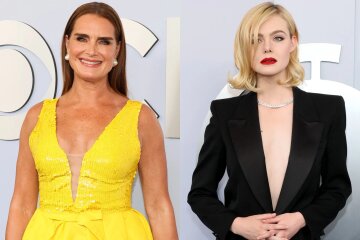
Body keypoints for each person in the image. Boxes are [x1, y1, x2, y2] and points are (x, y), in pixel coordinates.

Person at [6, 2, 178, 240]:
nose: (92, 50)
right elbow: (22, 204)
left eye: (104, 41)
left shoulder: (141, 118)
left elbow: (159, 207)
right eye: (82, 38)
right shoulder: (37, 116)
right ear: (67, 43)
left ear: (117, 49)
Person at [188, 2, 351, 240]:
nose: (266, 48)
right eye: (256, 39)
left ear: (293, 43)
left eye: (277, 38)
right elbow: (200, 193)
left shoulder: (329, 110)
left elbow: (337, 187)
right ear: (245, 48)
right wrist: (237, 225)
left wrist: (301, 219)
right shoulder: (225, 113)